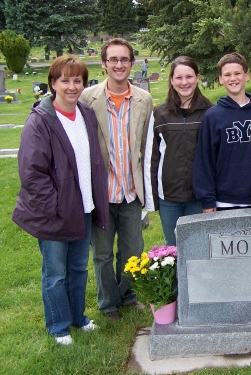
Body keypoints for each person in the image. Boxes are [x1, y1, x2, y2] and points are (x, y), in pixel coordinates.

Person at [11, 56, 109, 345]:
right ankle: (59, 327)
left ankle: (78, 317)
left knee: (78, 268)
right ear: (53, 83)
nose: (71, 86)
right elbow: (32, 172)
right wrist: (55, 206)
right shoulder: (41, 121)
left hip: (83, 207)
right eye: (64, 80)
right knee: (55, 274)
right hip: (54, 213)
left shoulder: (86, 113)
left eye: (77, 80)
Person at [80, 38, 153, 321]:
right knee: (101, 253)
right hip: (101, 190)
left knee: (133, 249)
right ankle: (108, 302)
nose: (119, 65)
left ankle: (128, 295)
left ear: (132, 63)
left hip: (131, 190)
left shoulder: (143, 99)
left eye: (124, 59)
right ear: (104, 63)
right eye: (113, 60)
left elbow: (145, 144)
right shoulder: (89, 98)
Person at [144, 56, 213, 245]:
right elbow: (152, 156)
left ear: (197, 78)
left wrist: (211, 197)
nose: (184, 83)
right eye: (179, 78)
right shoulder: (160, 114)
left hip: (198, 197)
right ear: (172, 80)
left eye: (189, 77)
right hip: (169, 197)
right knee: (172, 249)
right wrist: (153, 198)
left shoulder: (209, 112)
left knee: (198, 249)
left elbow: (215, 157)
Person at [193, 52, 251, 212]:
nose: (233, 78)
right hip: (224, 200)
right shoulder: (213, 116)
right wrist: (208, 199)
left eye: (237, 73)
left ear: (246, 76)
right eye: (227, 74)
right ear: (221, 79)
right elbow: (204, 160)